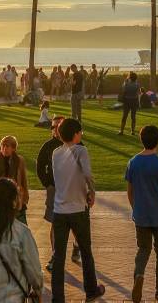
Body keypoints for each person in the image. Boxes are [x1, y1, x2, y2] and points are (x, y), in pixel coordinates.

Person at [50, 118, 104, 303]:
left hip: (59, 209)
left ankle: (58, 297)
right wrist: (92, 192)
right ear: (75, 134)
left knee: (58, 256)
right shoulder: (81, 150)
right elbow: (88, 174)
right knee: (86, 251)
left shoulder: (55, 153)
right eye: (80, 132)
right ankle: (91, 290)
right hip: (78, 209)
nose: (81, 135)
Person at [125, 125, 158, 303]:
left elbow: (130, 191)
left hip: (141, 217)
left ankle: (139, 275)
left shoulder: (133, 162)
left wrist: (136, 208)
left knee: (143, 249)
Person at [35, 116, 80, 271]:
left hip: (73, 191)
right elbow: (40, 167)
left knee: (75, 223)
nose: (54, 130)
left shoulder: (76, 144)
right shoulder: (48, 146)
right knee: (55, 223)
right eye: (52, 127)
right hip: (55, 190)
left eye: (57, 126)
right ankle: (55, 256)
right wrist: (47, 185)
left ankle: (76, 245)